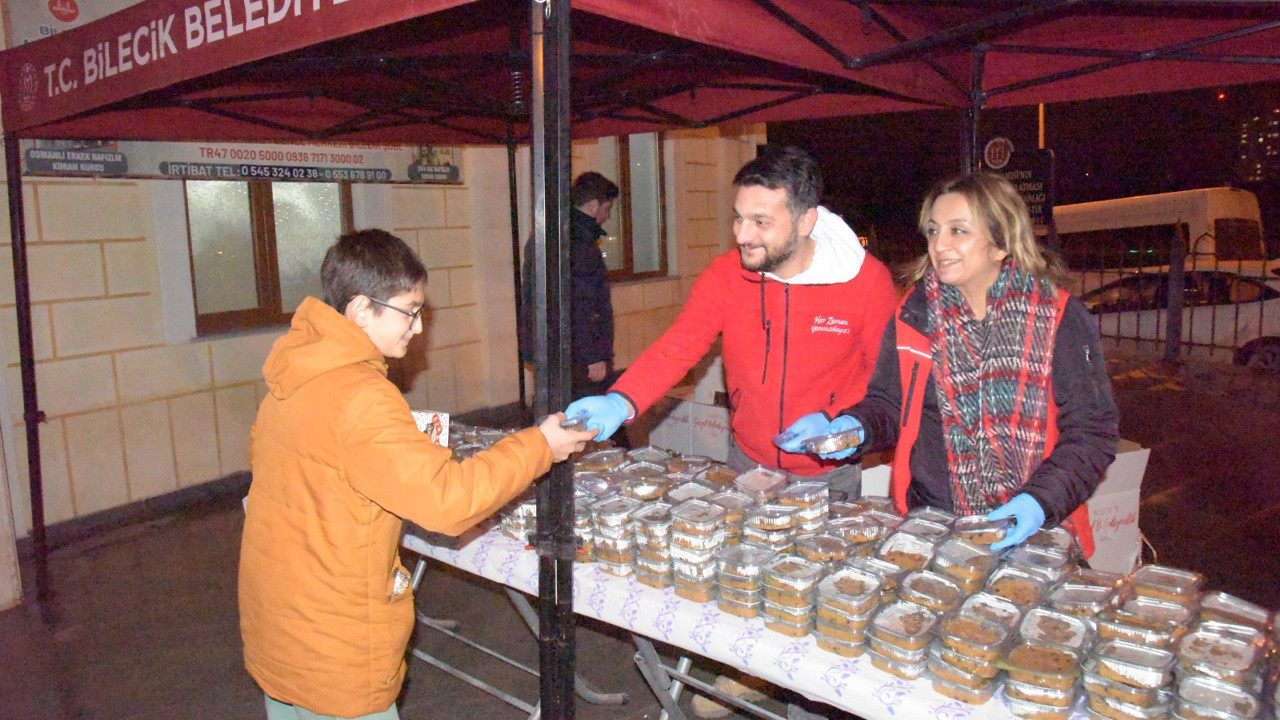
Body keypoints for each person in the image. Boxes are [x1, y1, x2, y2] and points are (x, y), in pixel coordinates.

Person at [566, 145, 898, 719]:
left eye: (761, 222)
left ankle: (809, 704)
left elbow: (888, 384)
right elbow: (682, 343)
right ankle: (752, 677)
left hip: (827, 477)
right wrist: (623, 398)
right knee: (748, 580)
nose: (743, 234)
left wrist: (851, 426)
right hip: (747, 459)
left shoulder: (866, 284)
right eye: (738, 218)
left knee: (817, 600)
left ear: (807, 219)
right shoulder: (729, 274)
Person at [239, 229, 595, 720]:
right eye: (410, 310)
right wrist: (540, 445)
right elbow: (448, 504)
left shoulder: (294, 372)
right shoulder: (361, 395)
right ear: (363, 311)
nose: (419, 327)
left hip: (281, 625)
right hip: (336, 644)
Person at [779, 171, 1119, 554]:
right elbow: (890, 406)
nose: (939, 244)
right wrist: (850, 427)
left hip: (1031, 532)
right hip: (932, 525)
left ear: (1001, 243)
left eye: (958, 231)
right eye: (933, 230)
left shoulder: (1059, 317)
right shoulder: (916, 313)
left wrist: (1038, 502)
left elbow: (1092, 434)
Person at [519, 171, 620, 400]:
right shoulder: (579, 242)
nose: (607, 216)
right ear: (593, 206)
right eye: (607, 209)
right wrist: (594, 356)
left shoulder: (548, 233)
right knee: (589, 418)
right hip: (576, 356)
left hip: (548, 348)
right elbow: (581, 304)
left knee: (556, 411)